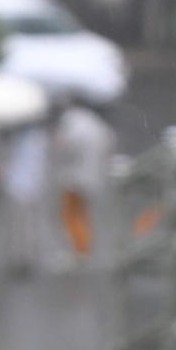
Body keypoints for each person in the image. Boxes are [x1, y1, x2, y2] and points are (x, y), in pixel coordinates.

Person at [51, 94, 117, 265]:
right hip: (93, 174)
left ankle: (79, 251)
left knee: (70, 213)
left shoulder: (72, 123)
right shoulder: (96, 124)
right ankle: (84, 247)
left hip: (73, 176)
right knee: (84, 213)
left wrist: (57, 146)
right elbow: (110, 142)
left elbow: (66, 148)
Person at [1, 121, 49, 276]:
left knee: (17, 226)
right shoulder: (40, 138)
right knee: (29, 226)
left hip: (17, 187)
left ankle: (19, 259)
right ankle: (28, 258)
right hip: (33, 187)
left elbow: (7, 163)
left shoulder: (15, 139)